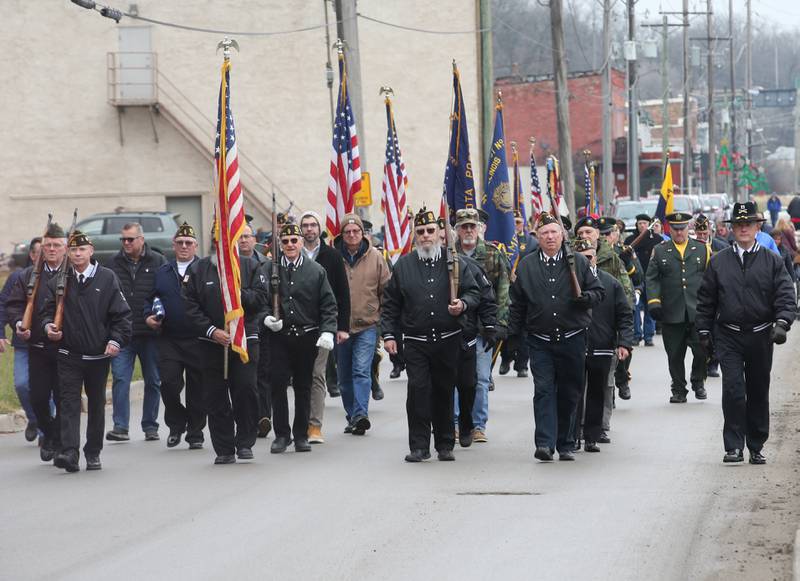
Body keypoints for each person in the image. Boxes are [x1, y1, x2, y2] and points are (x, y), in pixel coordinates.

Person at [696, 201, 796, 464]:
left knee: (758, 390)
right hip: (728, 335)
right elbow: (706, 300)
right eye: (738, 224)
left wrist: (782, 323)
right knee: (733, 390)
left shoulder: (772, 261)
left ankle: (756, 444)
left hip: (761, 335)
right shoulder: (718, 262)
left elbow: (786, 295)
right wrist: (704, 331)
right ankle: (733, 445)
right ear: (732, 228)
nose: (743, 229)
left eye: (748, 224)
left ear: (757, 227)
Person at [381, 207, 481, 463]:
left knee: (444, 391)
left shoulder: (454, 262)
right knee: (418, 392)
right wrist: (390, 335)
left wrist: (463, 304)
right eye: (421, 232)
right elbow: (391, 303)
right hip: (416, 342)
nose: (426, 236)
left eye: (430, 231)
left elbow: (473, 292)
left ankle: (445, 443)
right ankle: (419, 446)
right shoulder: (404, 265)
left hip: (448, 340)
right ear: (415, 236)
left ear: (439, 233)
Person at [509, 212, 604, 462]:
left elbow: (598, 291)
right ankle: (544, 443)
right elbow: (517, 303)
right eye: (544, 233)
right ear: (537, 238)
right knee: (543, 390)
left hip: (572, 338)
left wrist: (586, 298)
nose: (550, 237)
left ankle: (565, 443)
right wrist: (513, 337)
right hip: (539, 340)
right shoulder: (527, 265)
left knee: (569, 392)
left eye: (554, 232)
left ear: (562, 235)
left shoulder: (578, 263)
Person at [40, 230, 132, 472]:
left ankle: (93, 451)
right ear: (68, 253)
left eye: (82, 249)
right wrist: (48, 327)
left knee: (96, 404)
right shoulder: (59, 280)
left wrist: (116, 341)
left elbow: (122, 316)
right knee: (68, 403)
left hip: (98, 356)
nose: (78, 253)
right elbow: (46, 313)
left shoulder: (107, 278)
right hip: (68, 355)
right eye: (73, 250)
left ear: (91, 251)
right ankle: (69, 452)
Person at [182, 227, 269, 465]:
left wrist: (235, 292)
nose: (222, 246)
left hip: (243, 340)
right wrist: (212, 331)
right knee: (215, 396)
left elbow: (261, 299)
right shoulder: (198, 269)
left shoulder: (250, 266)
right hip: (211, 342)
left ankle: (245, 442)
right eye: (217, 240)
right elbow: (189, 306)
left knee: (245, 390)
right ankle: (224, 447)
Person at [263, 223, 338, 454]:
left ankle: (301, 435)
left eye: (294, 240)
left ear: (300, 242)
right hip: (279, 338)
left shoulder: (316, 271)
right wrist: (266, 318)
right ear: (280, 244)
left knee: (304, 386)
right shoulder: (269, 270)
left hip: (306, 337)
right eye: (285, 242)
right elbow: (260, 301)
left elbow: (328, 305)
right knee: (277, 386)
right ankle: (282, 435)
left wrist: (328, 330)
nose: (290, 245)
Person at [143, 222, 206, 450]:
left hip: (199, 339)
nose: (184, 246)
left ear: (196, 246)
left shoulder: (205, 269)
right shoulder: (162, 272)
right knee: (169, 384)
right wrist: (148, 316)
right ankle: (176, 424)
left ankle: (196, 431)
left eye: (188, 243)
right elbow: (149, 300)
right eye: (180, 242)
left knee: (197, 388)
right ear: (173, 244)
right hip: (169, 338)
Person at [5, 229, 66, 454]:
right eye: (47, 246)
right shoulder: (27, 276)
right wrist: (20, 323)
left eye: (56, 245)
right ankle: (47, 433)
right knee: (38, 398)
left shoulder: (71, 274)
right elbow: (13, 304)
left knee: (62, 399)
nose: (51, 249)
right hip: (38, 348)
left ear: (64, 248)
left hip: (65, 349)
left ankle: (58, 442)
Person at [105, 223, 166, 442]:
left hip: (150, 334)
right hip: (122, 334)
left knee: (153, 380)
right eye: (123, 239)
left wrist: (158, 318)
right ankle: (120, 426)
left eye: (130, 239)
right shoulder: (112, 263)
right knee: (121, 379)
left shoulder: (158, 261)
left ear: (142, 239)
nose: (126, 243)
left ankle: (150, 425)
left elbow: (165, 292)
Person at [454, 208, 509, 443]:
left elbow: (504, 290)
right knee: (454, 378)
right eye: (463, 226)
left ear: (479, 229)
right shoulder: (448, 252)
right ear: (456, 230)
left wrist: (500, 323)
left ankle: (478, 425)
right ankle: (455, 422)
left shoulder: (492, 255)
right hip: (455, 325)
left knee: (481, 378)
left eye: (472, 226)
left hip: (483, 326)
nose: (468, 230)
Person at [572, 238, 632, 452]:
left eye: (589, 257)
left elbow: (624, 314)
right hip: (574, 344)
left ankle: (592, 435)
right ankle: (572, 434)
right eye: (581, 258)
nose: (586, 262)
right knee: (573, 391)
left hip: (602, 345)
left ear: (595, 257)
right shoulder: (567, 281)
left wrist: (624, 342)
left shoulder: (610, 282)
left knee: (598, 392)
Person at [333, 213, 390, 436]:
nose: (352, 235)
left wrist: (384, 322)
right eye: (348, 232)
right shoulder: (334, 257)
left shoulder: (376, 257)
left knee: (361, 370)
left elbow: (386, 291)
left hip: (367, 324)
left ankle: (361, 414)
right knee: (344, 376)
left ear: (362, 233)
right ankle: (352, 415)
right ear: (342, 234)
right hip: (340, 327)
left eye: (356, 231)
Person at [645, 212, 710, 403]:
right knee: (674, 354)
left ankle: (698, 381)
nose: (679, 232)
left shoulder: (702, 249)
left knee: (702, 350)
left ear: (688, 228)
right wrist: (654, 303)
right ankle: (679, 389)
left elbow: (709, 279)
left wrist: (711, 305)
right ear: (669, 229)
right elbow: (652, 278)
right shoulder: (660, 250)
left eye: (682, 228)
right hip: (671, 311)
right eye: (675, 229)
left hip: (697, 310)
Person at [299, 210, 350, 443]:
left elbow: (342, 293)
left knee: (317, 374)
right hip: (295, 326)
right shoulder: (292, 252)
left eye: (313, 225)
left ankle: (314, 426)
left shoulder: (332, 256)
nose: (309, 229)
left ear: (320, 229)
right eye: (305, 225)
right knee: (299, 377)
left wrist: (341, 326)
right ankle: (297, 424)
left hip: (323, 326)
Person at [0, 238, 43, 443]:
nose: (48, 253)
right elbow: (4, 306)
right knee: (22, 384)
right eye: (41, 251)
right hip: (23, 344)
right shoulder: (18, 277)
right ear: (33, 255)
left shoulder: (61, 276)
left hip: (50, 344)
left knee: (48, 387)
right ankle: (34, 418)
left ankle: (46, 432)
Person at [239, 221, 273, 439]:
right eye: (240, 237)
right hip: (238, 327)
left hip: (262, 324)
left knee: (262, 374)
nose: (243, 240)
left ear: (254, 240)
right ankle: (247, 416)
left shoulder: (266, 264)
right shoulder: (227, 263)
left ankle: (263, 417)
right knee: (244, 378)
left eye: (247, 236)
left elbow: (267, 296)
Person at [625, 214, 661, 347]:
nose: (642, 225)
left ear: (649, 224)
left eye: (645, 223)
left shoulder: (657, 239)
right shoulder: (630, 240)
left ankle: (649, 336)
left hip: (652, 278)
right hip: (635, 279)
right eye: (640, 223)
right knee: (635, 307)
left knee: (650, 307)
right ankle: (636, 335)